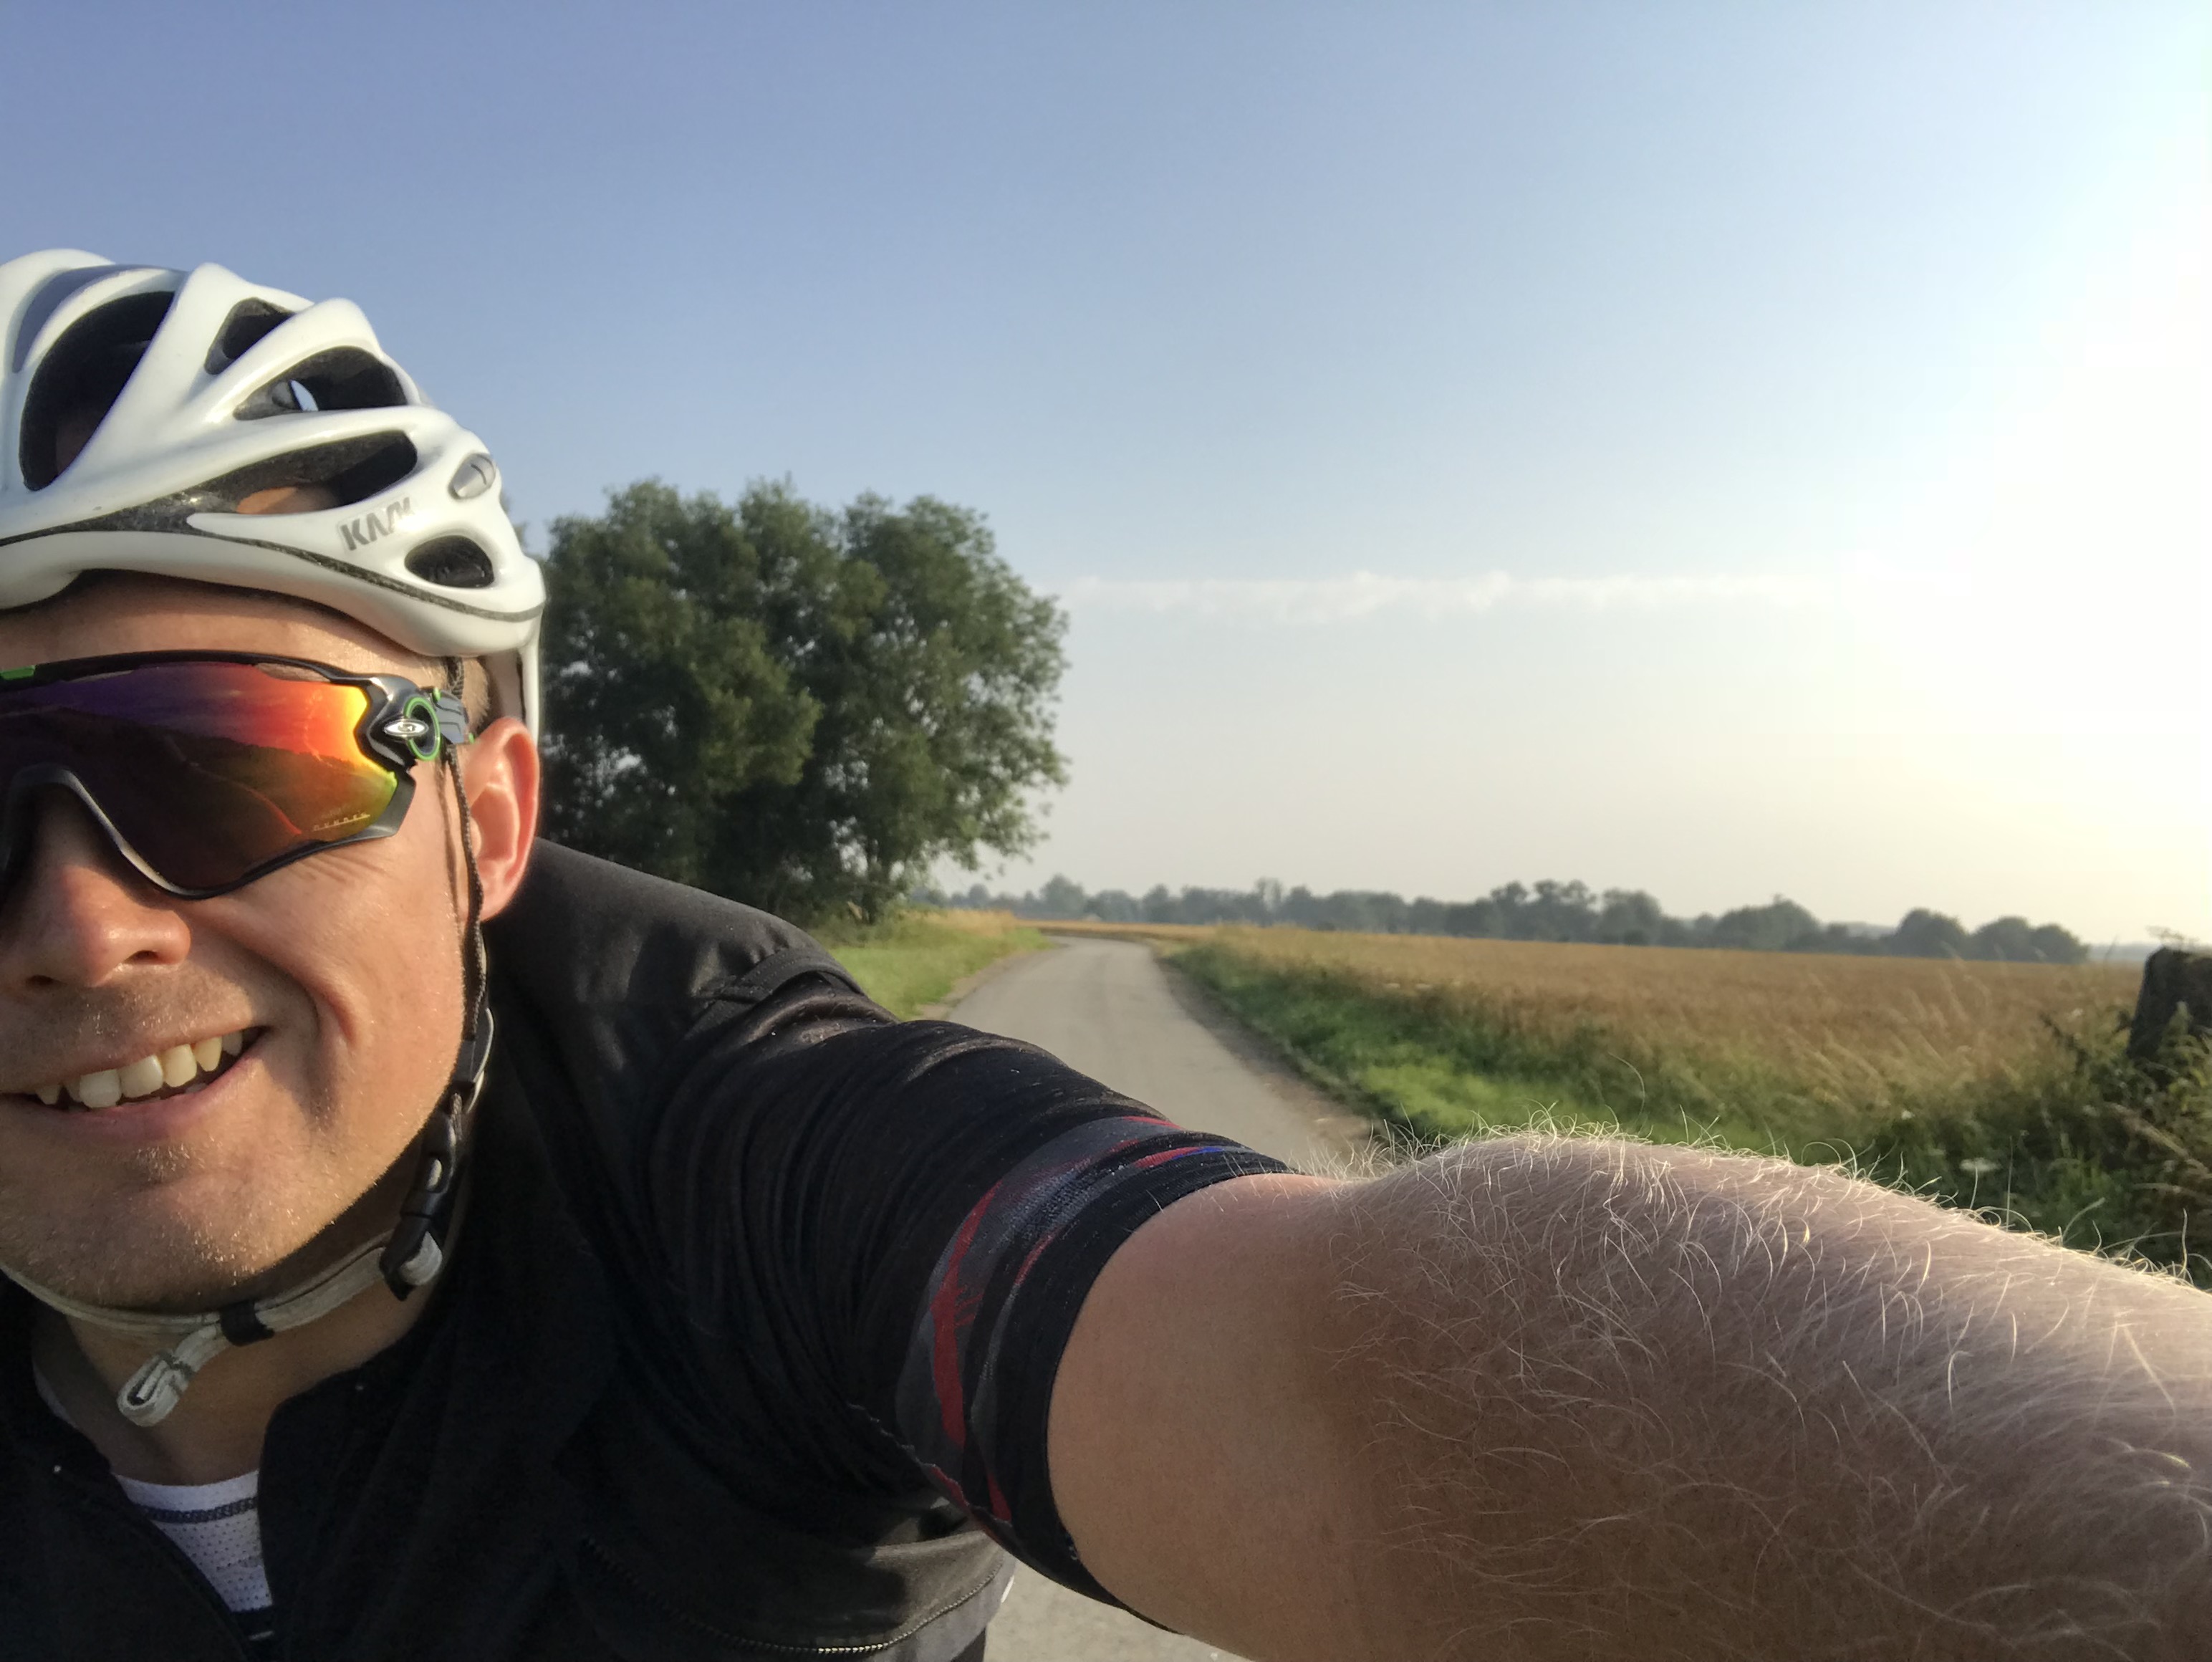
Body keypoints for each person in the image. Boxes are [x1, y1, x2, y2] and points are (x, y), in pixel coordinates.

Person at [0, 249, 2204, 1662]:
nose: (80, 925)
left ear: (487, 820)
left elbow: (1340, 1374)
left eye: (223, 762)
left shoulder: (748, 1149)